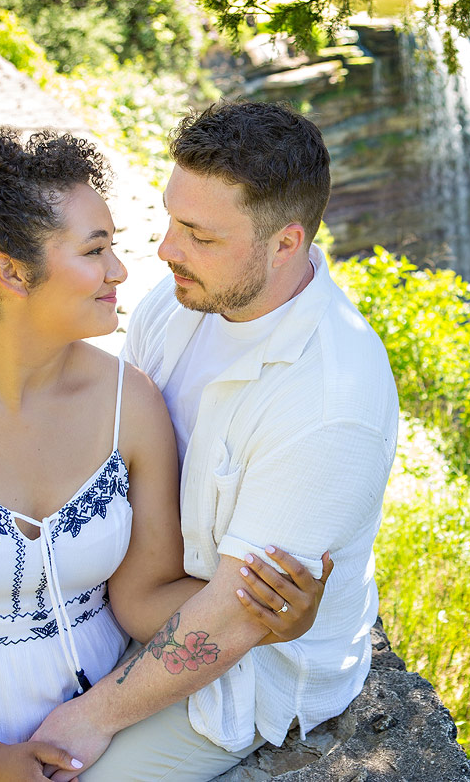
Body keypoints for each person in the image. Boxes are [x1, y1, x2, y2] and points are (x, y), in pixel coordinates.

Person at [0, 120, 325, 782]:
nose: (120, 270)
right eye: (95, 250)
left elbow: (143, 597)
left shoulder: (131, 404)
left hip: (100, 735)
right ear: (12, 272)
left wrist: (265, 616)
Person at [30, 100, 401, 781]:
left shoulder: (330, 401)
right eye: (172, 218)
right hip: (135, 607)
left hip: (244, 679)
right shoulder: (176, 304)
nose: (167, 249)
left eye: (199, 235)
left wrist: (96, 715)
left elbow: (237, 618)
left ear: (286, 243)